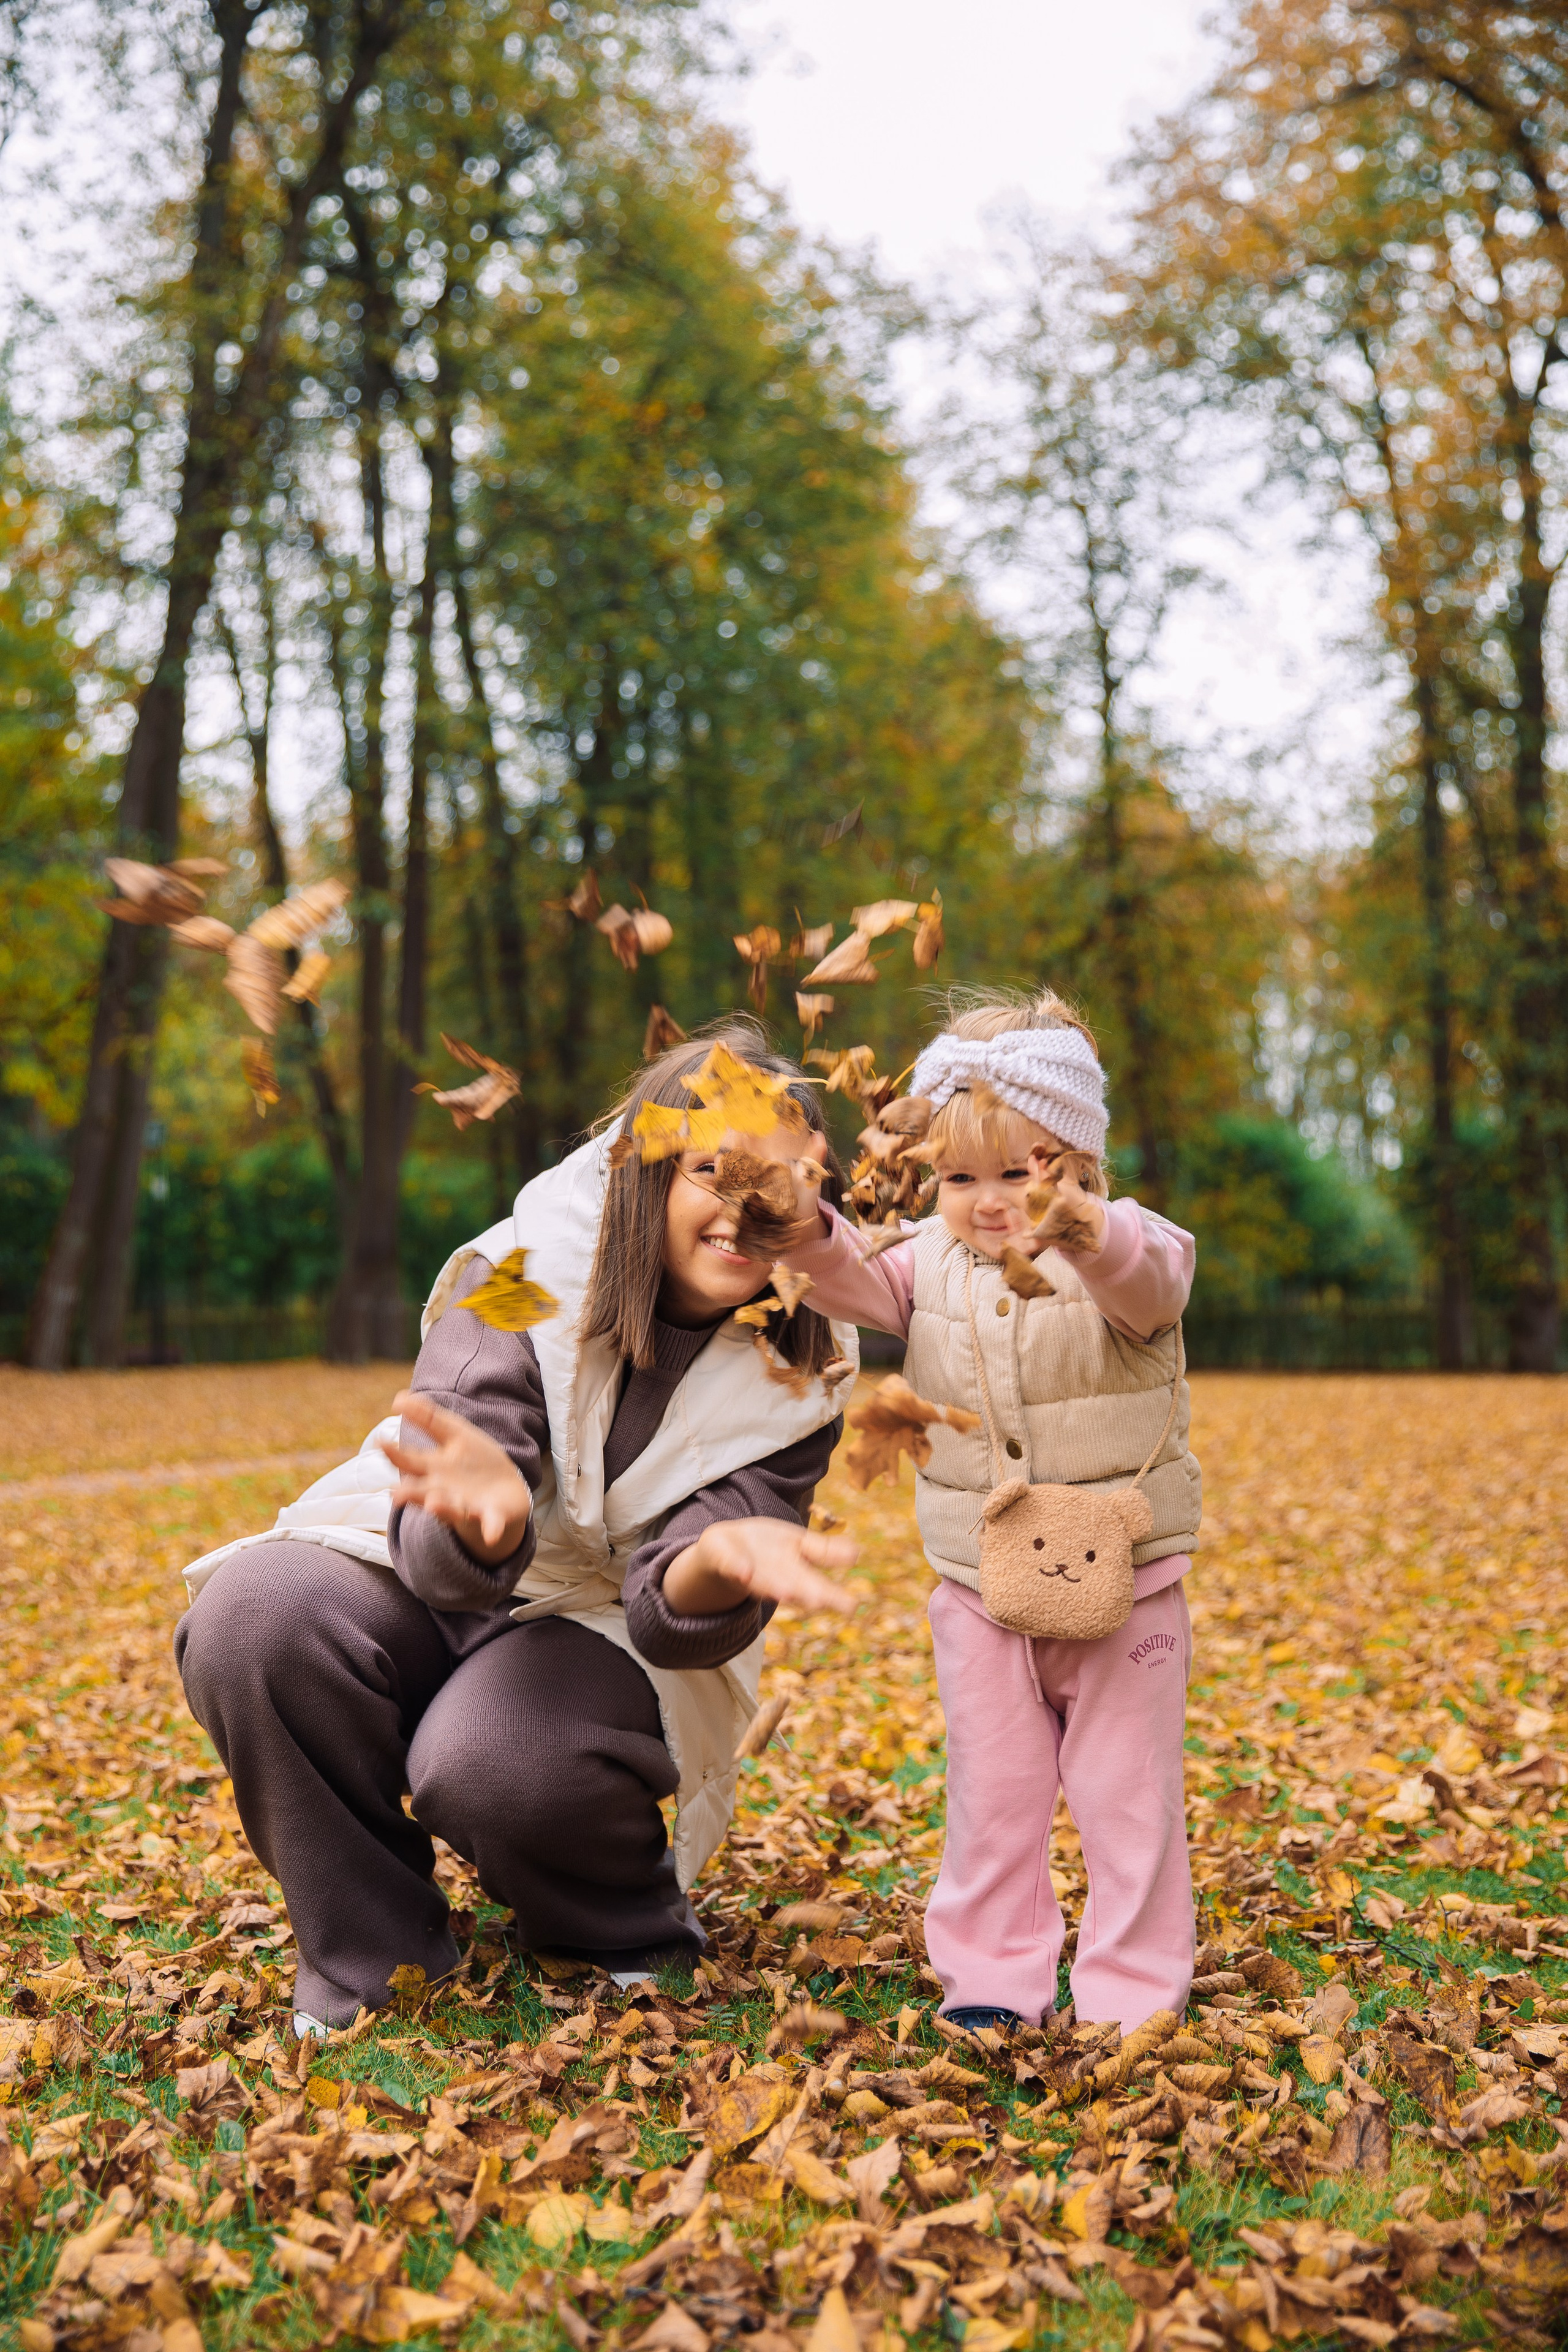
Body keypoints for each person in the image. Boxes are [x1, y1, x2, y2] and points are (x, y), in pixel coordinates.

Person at [175, 1024, 859, 2032]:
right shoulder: (525, 1267)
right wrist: (486, 1516)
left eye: (775, 1183)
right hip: (430, 1550)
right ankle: (373, 1953)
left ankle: (615, 1923)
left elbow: (674, 1615)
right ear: (647, 1175)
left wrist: (715, 1562)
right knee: (255, 1623)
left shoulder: (800, 1368)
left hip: (607, 1618)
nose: (742, 1208)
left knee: (492, 1761)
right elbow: (453, 1506)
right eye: (713, 1172)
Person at [777, 987, 1199, 2034]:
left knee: (1126, 1797)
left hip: (1126, 1584)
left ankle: (1131, 1990)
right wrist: (801, 1223)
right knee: (995, 1795)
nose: (989, 1200)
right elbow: (844, 1275)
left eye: (1019, 1172)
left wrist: (1084, 1229)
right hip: (978, 1583)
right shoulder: (924, 1260)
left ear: (1077, 1158)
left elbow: (1149, 1287)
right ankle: (993, 1979)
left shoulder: (1130, 1247)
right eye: (960, 1176)